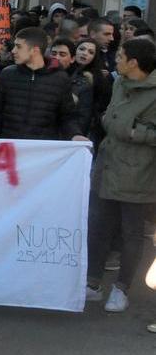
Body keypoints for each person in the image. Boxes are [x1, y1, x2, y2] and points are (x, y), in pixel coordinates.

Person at [85, 38, 156, 314]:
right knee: (99, 226)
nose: (116, 59)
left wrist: (136, 132)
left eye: (121, 55)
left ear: (134, 62)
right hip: (108, 163)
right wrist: (110, 121)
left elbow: (136, 129)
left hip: (139, 172)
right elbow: (113, 118)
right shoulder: (118, 82)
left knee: (131, 234)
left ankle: (121, 287)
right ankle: (93, 283)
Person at [0, 27, 85, 141]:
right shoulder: (7, 74)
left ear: (35, 50)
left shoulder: (60, 78)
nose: (13, 50)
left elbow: (67, 116)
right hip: (9, 147)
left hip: (42, 151)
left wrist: (75, 135)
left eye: (19, 46)